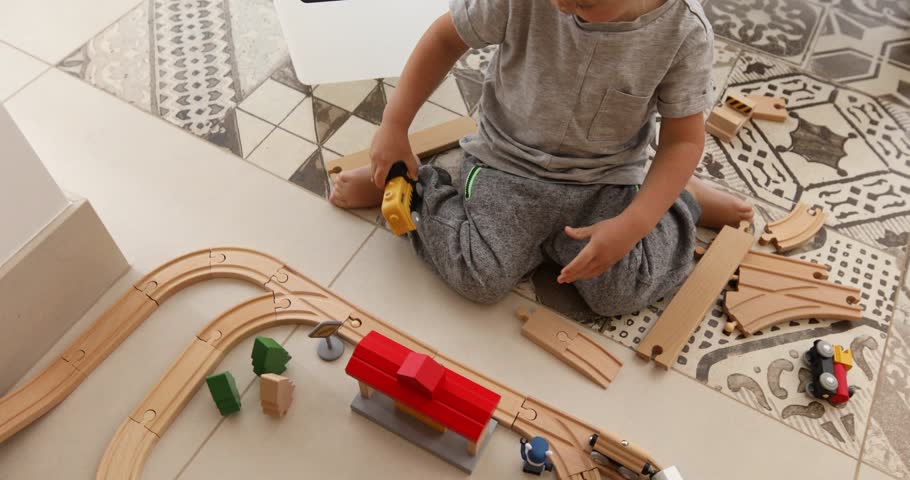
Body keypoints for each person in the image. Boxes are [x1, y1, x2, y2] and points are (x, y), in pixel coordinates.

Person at [330, 0, 754, 316]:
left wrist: (633, 224)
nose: (561, 6)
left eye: (584, 1)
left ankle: (682, 200)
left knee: (621, 292)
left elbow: (682, 142)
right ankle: (408, 185)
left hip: (604, 178)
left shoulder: (684, 31)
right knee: (480, 277)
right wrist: (394, 125)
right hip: (507, 163)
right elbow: (445, 36)